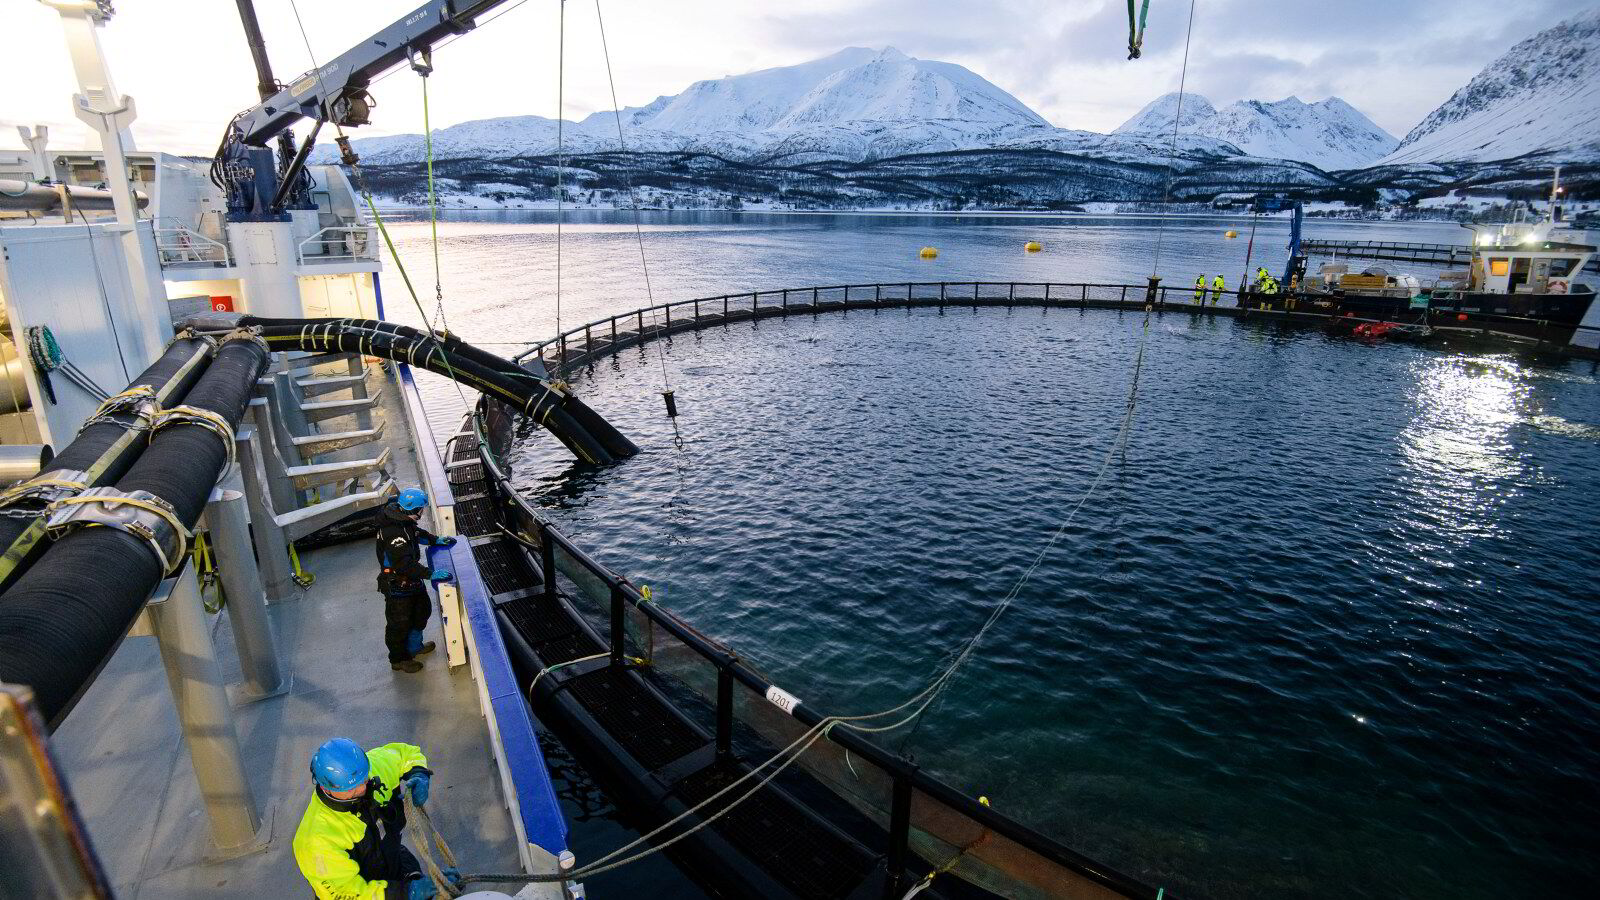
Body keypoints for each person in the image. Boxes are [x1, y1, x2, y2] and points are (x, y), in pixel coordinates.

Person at [293, 738, 461, 900]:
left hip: (393, 860)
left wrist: (419, 774)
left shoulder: (370, 771)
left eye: (364, 780)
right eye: (351, 788)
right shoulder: (315, 842)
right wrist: (409, 893)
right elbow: (348, 894)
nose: (362, 789)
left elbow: (405, 754)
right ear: (325, 787)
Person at [376, 488, 455, 673]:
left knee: (422, 611)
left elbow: (417, 534)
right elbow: (403, 565)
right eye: (421, 509)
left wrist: (435, 540)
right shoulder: (393, 532)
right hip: (397, 585)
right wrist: (430, 573)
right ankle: (399, 659)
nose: (422, 512)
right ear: (415, 509)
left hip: (411, 582)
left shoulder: (403, 520)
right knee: (399, 623)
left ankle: (414, 646)